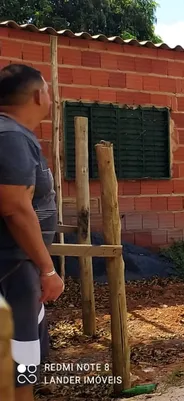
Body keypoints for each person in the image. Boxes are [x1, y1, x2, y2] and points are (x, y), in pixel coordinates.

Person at [0, 63, 65, 401]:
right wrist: (47, 269)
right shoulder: (9, 136)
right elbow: (14, 207)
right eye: (49, 90)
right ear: (39, 94)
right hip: (13, 267)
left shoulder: (12, 133)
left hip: (16, 267)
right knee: (18, 361)